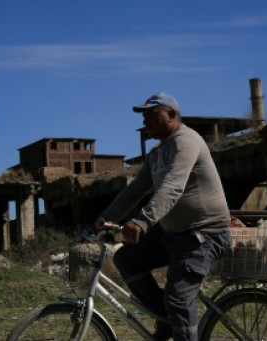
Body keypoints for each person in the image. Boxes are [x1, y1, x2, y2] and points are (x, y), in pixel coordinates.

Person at [94, 92, 231, 341]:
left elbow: (172, 187)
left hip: (203, 233)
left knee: (178, 298)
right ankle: (165, 319)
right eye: (144, 116)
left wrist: (142, 220)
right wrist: (107, 216)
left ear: (171, 114)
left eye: (151, 114)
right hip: (173, 233)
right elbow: (136, 189)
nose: (145, 120)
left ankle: (175, 320)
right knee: (127, 258)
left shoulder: (186, 141)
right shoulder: (157, 153)